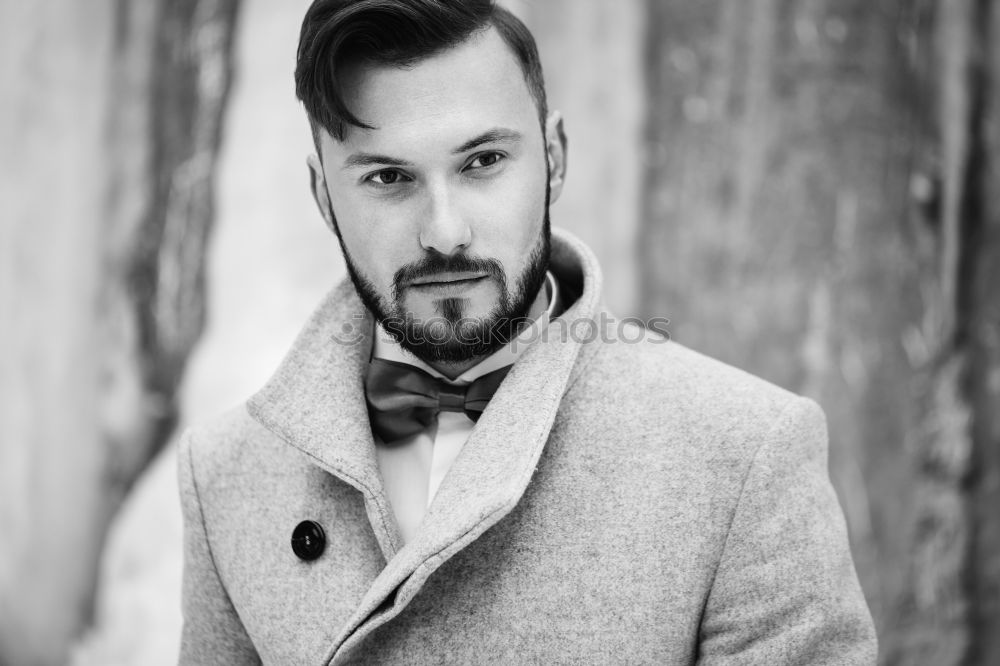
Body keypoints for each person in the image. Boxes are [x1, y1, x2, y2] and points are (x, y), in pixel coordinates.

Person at [177, 0, 877, 663]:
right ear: (324, 197)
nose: (444, 232)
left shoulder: (745, 456)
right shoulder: (227, 476)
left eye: (483, 162)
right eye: (389, 177)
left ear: (556, 158)